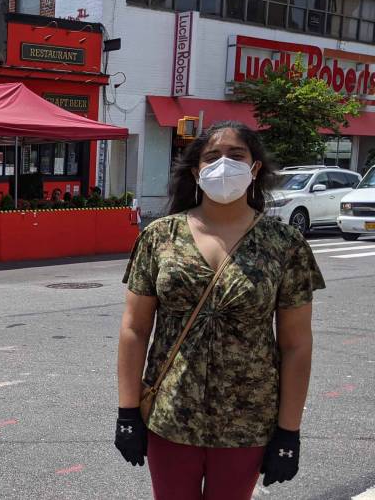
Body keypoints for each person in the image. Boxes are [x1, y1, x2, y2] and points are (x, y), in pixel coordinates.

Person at [115, 121, 324, 499]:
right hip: (171, 416)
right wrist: (127, 412)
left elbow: (296, 345)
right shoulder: (161, 236)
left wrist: (289, 431)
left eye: (236, 155)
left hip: (248, 420)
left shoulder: (284, 244)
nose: (223, 164)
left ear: (255, 167)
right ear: (197, 171)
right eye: (212, 157)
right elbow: (134, 328)